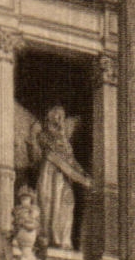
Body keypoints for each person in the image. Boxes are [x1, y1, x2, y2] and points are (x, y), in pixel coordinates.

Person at [33, 104, 92, 248]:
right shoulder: (44, 136)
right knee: (49, 204)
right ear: (49, 118)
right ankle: (48, 238)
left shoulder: (65, 141)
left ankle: (62, 239)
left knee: (66, 204)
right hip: (50, 174)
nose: (59, 120)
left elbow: (71, 159)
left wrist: (83, 173)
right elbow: (50, 153)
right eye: (56, 116)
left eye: (61, 117)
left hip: (64, 179)